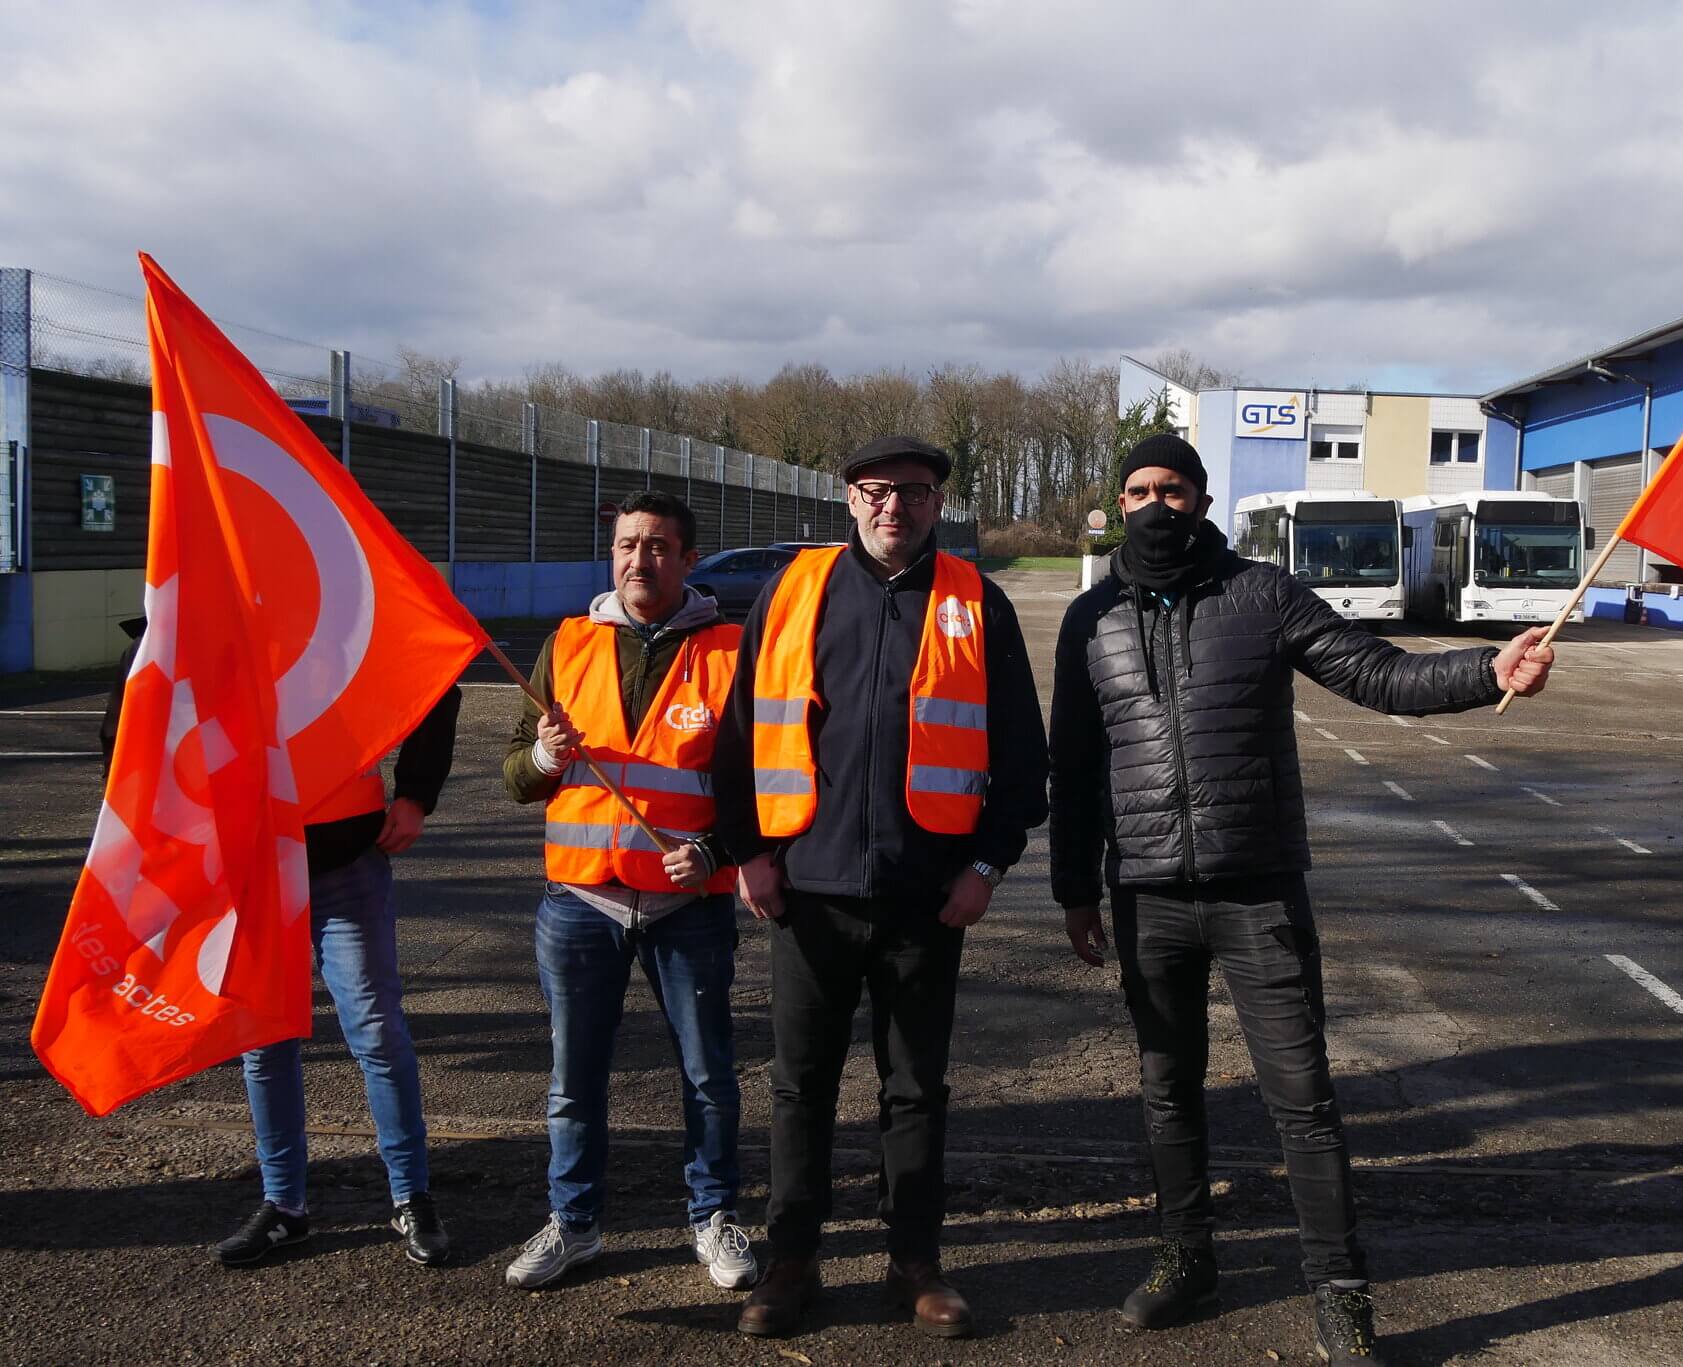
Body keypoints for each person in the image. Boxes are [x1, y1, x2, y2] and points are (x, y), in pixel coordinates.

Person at [1047, 434, 1554, 1364]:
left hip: (1258, 891)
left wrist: (1486, 671)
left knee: (1304, 1097)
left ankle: (1341, 1289)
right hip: (1147, 895)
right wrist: (1074, 886)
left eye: (1172, 489)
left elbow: (1376, 670)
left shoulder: (1262, 594)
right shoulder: (1090, 619)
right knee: (1167, 1092)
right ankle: (1185, 1254)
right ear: (1117, 504)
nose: (1155, 504)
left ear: (1200, 499)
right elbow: (1074, 768)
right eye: (1137, 489)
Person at [711, 435, 1048, 1340]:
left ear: (939, 502)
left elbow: (1023, 758)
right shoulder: (794, 591)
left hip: (925, 897)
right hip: (806, 894)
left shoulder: (979, 603)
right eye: (876, 490)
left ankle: (915, 1263)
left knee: (915, 1089)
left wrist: (986, 866)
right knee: (800, 1087)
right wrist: (748, 851)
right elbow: (740, 733)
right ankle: (790, 1261)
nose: (894, 505)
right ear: (849, 497)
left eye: (915, 491)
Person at [103, 631, 462, 1269]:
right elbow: (124, 734)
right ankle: (284, 1207)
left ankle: (412, 1196)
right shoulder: (185, 618)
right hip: (248, 875)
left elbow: (432, 676)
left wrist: (415, 793)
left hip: (345, 862)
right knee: (263, 1041)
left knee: (377, 1034)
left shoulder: (332, 610)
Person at [500, 489, 757, 1293]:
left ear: (687, 558)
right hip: (581, 903)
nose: (638, 559)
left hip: (691, 905)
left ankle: (713, 1218)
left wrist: (715, 848)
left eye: (656, 546)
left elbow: (765, 781)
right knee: (573, 1079)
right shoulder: (568, 644)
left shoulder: (731, 650)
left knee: (708, 1075)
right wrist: (543, 756)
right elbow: (517, 778)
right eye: (625, 544)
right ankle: (574, 1225)